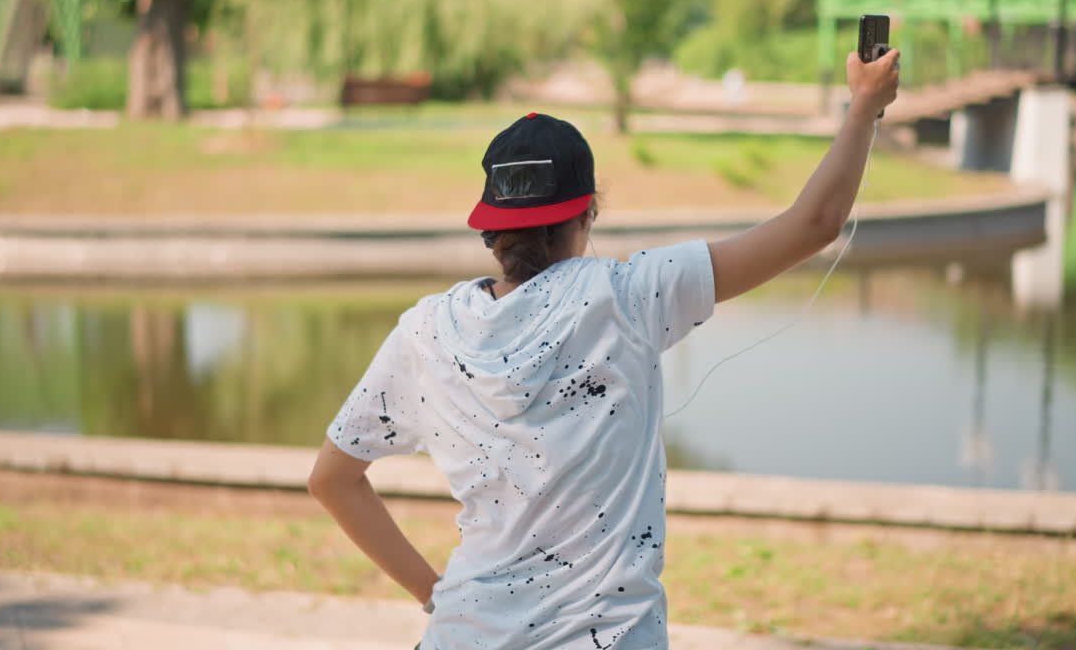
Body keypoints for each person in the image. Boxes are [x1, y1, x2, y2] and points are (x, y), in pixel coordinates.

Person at [309, 48, 900, 649]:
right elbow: (816, 223)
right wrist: (864, 107)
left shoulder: (427, 331)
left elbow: (332, 479)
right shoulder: (628, 297)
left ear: (491, 229)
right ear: (586, 214)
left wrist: (437, 595)